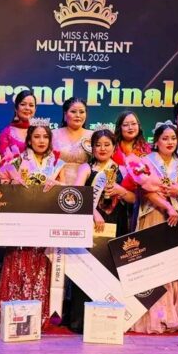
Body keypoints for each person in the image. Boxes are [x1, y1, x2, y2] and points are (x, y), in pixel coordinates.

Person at [0, 121, 63, 332]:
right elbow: (2, 187)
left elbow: (68, 189)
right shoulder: (17, 160)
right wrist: (12, 183)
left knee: (40, 265)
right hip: (20, 224)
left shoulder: (57, 163)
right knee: (18, 262)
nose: (41, 141)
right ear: (29, 140)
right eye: (37, 137)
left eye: (45, 137)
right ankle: (12, 312)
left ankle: (37, 315)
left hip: (46, 222)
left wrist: (56, 185)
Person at [65, 129, 139, 333]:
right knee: (87, 271)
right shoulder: (86, 168)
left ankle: (110, 320)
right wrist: (94, 213)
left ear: (114, 147)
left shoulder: (122, 169)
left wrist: (121, 191)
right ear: (92, 148)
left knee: (112, 271)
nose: (102, 148)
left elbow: (134, 198)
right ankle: (81, 321)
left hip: (117, 223)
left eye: (107, 144)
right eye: (98, 145)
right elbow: (78, 194)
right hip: (92, 224)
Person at [130, 122, 178, 334]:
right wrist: (168, 207)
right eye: (165, 138)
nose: (170, 142)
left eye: (173, 138)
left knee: (174, 266)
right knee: (153, 265)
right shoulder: (145, 162)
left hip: (177, 218)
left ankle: (172, 315)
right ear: (156, 141)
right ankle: (152, 316)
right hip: (154, 215)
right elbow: (146, 191)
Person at [52, 97, 93, 185]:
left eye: (81, 112)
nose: (78, 115)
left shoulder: (93, 136)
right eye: (73, 111)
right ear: (65, 114)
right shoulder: (53, 135)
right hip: (56, 185)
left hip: (86, 186)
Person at [0, 90, 36, 155]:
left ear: (35, 109)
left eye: (31, 105)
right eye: (23, 104)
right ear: (16, 108)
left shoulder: (41, 131)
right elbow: (3, 159)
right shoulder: (7, 133)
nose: (27, 108)